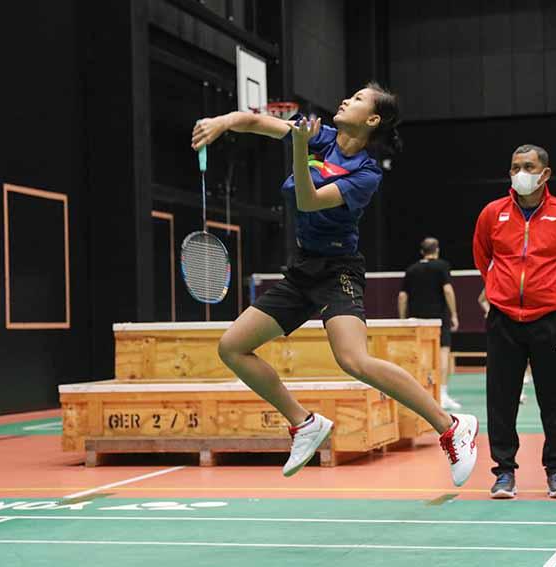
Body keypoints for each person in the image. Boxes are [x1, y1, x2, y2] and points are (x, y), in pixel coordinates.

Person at [193, 84, 478, 486]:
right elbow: (256, 121)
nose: (346, 100)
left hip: (338, 270)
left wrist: (297, 145)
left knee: (354, 360)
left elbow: (307, 201)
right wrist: (220, 123)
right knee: (233, 347)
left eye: (359, 99)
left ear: (372, 120)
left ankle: (451, 427)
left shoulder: (366, 174)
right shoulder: (320, 136)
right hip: (301, 270)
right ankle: (304, 423)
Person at [472, 143, 556, 499]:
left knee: (554, 399)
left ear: (545, 173)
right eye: (514, 167)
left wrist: (552, 294)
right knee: (501, 399)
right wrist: (502, 292)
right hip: (503, 319)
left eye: (527, 166)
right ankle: (504, 473)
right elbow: (482, 257)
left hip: (549, 320)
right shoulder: (492, 214)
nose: (520, 173)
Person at [398, 237, 461, 410]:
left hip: (417, 321)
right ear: (437, 250)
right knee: (442, 355)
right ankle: (442, 394)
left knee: (419, 357)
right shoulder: (442, 266)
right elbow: (447, 290)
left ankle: (420, 397)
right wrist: (454, 314)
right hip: (438, 319)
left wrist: (403, 320)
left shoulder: (411, 270)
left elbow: (403, 296)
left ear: (421, 251)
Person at [477, 287, 526, 404]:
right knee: (506, 363)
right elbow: (481, 299)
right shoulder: (495, 282)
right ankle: (513, 394)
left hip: (520, 324)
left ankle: (520, 391)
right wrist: (489, 311)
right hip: (502, 326)